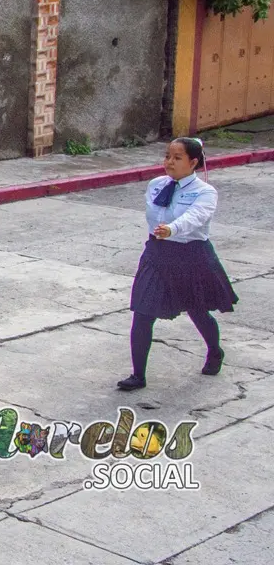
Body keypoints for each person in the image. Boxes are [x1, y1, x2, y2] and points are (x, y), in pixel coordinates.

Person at [117, 137, 237, 391]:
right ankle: (138, 375)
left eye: (177, 158)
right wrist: (162, 234)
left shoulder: (205, 192)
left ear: (193, 162)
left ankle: (215, 351)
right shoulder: (156, 185)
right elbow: (153, 216)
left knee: (197, 310)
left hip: (190, 255)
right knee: (142, 312)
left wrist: (172, 229)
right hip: (157, 254)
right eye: (167, 156)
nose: (169, 162)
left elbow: (196, 217)